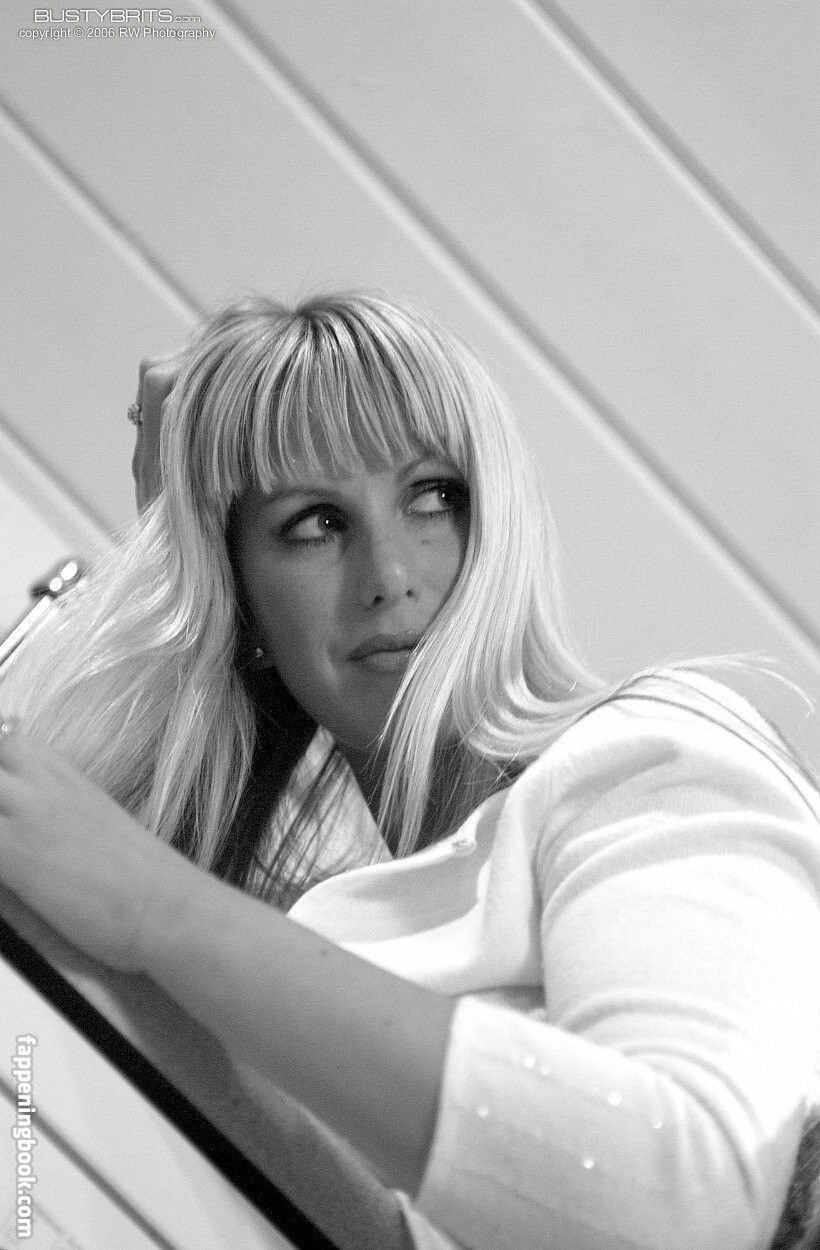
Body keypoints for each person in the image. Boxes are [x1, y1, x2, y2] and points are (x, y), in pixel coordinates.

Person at [0, 292, 819, 1249]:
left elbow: (686, 1200)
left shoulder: (645, 756)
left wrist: (158, 909)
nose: (390, 575)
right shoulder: (325, 934)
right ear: (242, 599)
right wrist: (178, 543)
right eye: (315, 522)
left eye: (433, 496)